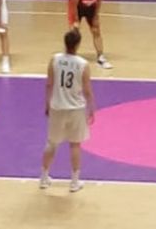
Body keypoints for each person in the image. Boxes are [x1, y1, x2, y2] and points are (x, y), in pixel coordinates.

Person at [40, 29, 96, 192]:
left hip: (57, 106)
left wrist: (47, 103)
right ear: (78, 44)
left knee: (51, 143)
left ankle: (44, 177)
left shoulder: (55, 60)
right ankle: (74, 182)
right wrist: (92, 107)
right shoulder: (83, 64)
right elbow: (87, 90)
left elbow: (49, 84)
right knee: (75, 145)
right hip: (76, 108)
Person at [68, 0, 112, 69]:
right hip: (77, 9)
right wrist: (75, 21)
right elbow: (73, 5)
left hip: (91, 8)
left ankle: (100, 57)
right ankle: (71, 56)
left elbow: (99, 2)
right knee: (74, 32)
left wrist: (96, 16)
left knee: (96, 31)